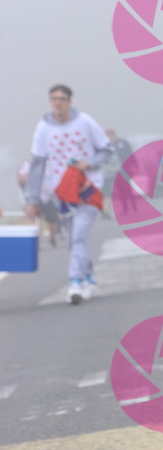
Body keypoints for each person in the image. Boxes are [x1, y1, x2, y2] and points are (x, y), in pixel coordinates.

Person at [23, 84, 113, 302]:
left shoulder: (85, 122)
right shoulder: (43, 128)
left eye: (62, 99)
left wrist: (89, 163)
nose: (58, 102)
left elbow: (106, 150)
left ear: (70, 102)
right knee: (75, 238)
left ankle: (75, 282)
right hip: (62, 192)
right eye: (54, 98)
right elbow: (37, 165)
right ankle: (88, 279)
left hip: (88, 188)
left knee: (79, 233)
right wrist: (32, 199)